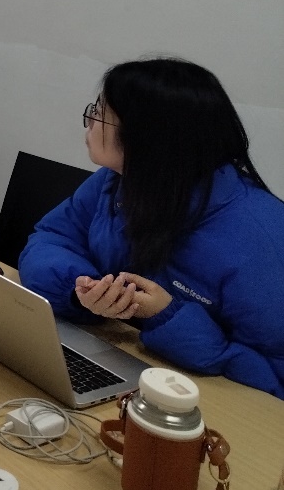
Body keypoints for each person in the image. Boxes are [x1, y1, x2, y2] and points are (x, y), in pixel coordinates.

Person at [19, 58, 284, 399]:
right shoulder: (116, 181)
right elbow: (52, 238)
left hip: (207, 405)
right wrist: (81, 290)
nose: (89, 122)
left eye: (100, 113)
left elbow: (274, 375)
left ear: (146, 138)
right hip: (126, 367)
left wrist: (167, 317)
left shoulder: (261, 241)